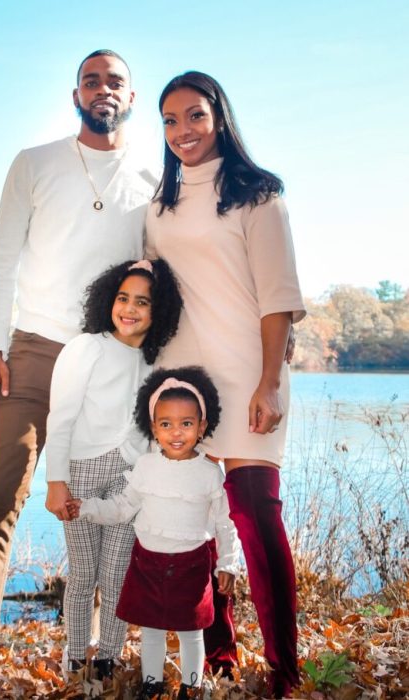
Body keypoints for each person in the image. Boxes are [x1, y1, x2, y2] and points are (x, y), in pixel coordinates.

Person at [0, 50, 157, 690]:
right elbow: (0, 261)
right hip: (35, 352)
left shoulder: (153, 177)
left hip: (109, 362)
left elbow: (161, 276)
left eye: (114, 80)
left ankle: (103, 648)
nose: (103, 89)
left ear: (130, 94)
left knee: (114, 509)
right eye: (92, 80)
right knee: (3, 494)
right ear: (76, 94)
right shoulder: (35, 163)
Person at [145, 71, 306, 698]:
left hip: (247, 375)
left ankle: (285, 671)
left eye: (194, 116)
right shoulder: (157, 207)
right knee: (191, 524)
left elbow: (278, 302)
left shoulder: (260, 197)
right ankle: (219, 656)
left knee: (256, 518)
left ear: (219, 118)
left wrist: (270, 383)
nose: (182, 130)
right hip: (183, 382)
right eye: (169, 120)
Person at [67, 366, 241, 700]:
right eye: (166, 424)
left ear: (202, 426)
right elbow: (122, 506)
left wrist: (228, 564)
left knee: (192, 632)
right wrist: (87, 506)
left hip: (192, 564)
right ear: (153, 428)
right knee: (152, 632)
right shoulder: (145, 467)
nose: (176, 433)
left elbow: (225, 521)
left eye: (186, 424)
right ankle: (152, 685)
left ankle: (192, 686)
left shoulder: (208, 473)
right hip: (148, 563)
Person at [45, 258, 182, 680]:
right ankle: (74, 656)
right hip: (81, 469)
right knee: (84, 574)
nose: (130, 308)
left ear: (158, 311)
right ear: (110, 299)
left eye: (142, 302)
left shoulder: (154, 362)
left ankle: (107, 657)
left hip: (128, 478)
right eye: (123, 298)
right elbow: (60, 418)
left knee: (117, 573)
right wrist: (55, 483)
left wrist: (144, 479)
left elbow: (149, 428)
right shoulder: (86, 348)